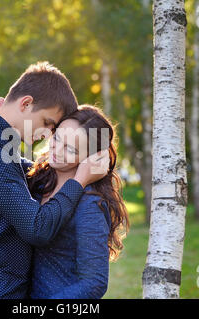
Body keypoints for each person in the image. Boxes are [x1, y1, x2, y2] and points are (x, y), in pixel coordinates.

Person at [0, 62, 108, 299]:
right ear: (26, 103)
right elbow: (37, 229)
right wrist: (80, 179)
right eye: (47, 123)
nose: (47, 135)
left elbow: (32, 172)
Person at [25, 104, 130, 298]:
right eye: (57, 138)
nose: (57, 149)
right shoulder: (38, 180)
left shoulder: (90, 204)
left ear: (90, 157)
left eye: (71, 149)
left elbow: (94, 283)